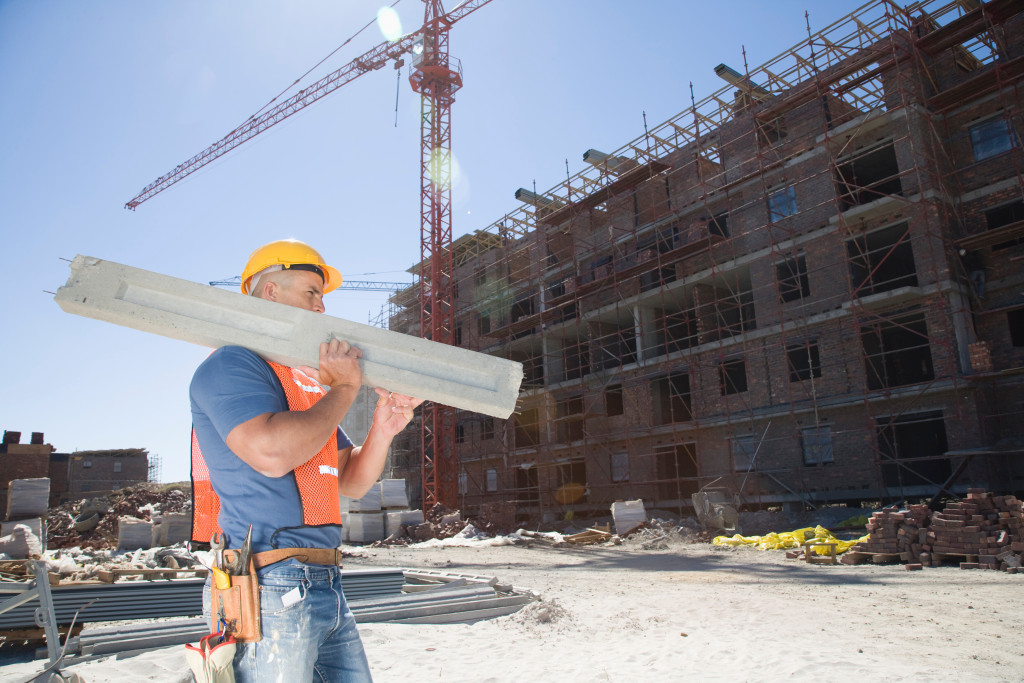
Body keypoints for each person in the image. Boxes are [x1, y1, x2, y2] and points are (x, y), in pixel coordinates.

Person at [189, 238, 421, 682]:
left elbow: (349, 480)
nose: (321, 307)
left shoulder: (299, 387)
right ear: (270, 291)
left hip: (325, 581)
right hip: (268, 583)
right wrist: (345, 389)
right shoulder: (232, 365)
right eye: (312, 292)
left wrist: (384, 427)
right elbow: (271, 453)